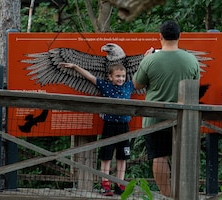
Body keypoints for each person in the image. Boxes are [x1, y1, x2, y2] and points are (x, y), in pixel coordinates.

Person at [132, 20, 200, 197]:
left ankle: (167, 194)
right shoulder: (191, 60)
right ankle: (183, 194)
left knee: (159, 156)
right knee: (183, 158)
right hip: (184, 118)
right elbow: (196, 86)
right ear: (180, 36)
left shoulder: (151, 60)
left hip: (155, 117)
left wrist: (145, 60)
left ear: (160, 36)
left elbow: (137, 83)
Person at [59, 62, 133, 196]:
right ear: (110, 77)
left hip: (124, 126)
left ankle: (120, 184)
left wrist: (147, 57)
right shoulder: (105, 86)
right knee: (106, 156)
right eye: (117, 76)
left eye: (123, 76)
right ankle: (106, 184)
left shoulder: (129, 85)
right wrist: (76, 67)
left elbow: (142, 74)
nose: (120, 79)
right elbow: (90, 77)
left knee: (123, 157)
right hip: (109, 125)